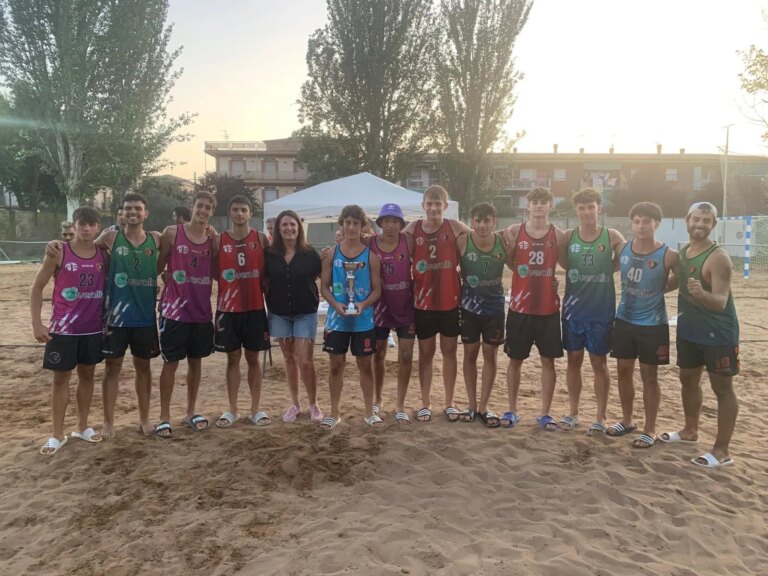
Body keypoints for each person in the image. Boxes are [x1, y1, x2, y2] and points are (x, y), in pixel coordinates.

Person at [660, 202, 740, 468]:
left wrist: (701, 294)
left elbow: (719, 300)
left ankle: (722, 451)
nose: (700, 225)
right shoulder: (684, 252)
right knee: (688, 380)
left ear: (713, 224)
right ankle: (690, 431)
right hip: (689, 331)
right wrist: (646, 283)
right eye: (696, 219)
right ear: (687, 219)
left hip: (718, 334)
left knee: (722, 388)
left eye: (706, 221)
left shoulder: (718, 258)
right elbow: (673, 284)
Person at [30, 206, 105, 455]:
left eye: (91, 224)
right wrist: (37, 323)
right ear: (73, 225)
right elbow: (37, 287)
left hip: (93, 328)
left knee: (87, 376)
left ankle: (82, 427)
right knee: (60, 379)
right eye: (81, 223)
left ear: (98, 227)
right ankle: (57, 434)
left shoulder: (103, 254)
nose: (85, 228)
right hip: (63, 329)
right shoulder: (59, 252)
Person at [608, 202, 678, 449]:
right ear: (632, 224)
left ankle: (650, 429)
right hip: (624, 320)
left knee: (650, 377)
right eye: (636, 221)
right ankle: (627, 420)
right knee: (624, 372)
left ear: (656, 224)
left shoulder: (668, 254)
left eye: (646, 221)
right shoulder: (623, 249)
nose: (641, 226)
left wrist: (663, 288)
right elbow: (609, 268)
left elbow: (681, 274)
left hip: (653, 324)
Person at [560, 188, 625, 435]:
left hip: (601, 312)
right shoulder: (568, 237)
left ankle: (600, 416)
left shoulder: (611, 236)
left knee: (599, 364)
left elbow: (623, 258)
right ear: (576, 210)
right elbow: (564, 264)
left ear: (599, 208)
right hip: (573, 311)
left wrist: (610, 269)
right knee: (573, 361)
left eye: (591, 207)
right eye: (582, 208)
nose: (587, 212)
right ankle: (573, 412)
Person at [403, 185, 470, 422]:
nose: (433, 208)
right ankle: (425, 402)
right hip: (423, 304)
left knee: (449, 352)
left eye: (437, 203)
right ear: (423, 206)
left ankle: (450, 402)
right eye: (429, 203)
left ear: (445, 205)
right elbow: (393, 248)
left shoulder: (455, 227)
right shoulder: (412, 228)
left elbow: (480, 240)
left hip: (450, 302)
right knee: (426, 354)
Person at [155, 190, 218, 438]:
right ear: (192, 207)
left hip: (201, 311)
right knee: (171, 363)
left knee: (196, 362)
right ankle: (163, 417)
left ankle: (191, 411)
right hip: (174, 311)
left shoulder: (213, 240)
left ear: (212, 212)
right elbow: (159, 266)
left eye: (208, 208)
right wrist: (164, 275)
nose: (202, 211)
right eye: (199, 206)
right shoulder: (172, 233)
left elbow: (215, 272)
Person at [502, 188, 566, 430]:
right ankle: (511, 409)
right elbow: (508, 260)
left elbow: (566, 265)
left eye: (543, 202)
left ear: (550, 205)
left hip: (548, 308)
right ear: (527, 206)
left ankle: (545, 413)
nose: (539, 206)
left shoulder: (558, 235)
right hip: (520, 306)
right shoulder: (515, 231)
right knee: (515, 360)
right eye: (535, 202)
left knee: (548, 361)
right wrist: (518, 269)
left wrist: (554, 280)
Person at [320, 204, 382, 429]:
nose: (352, 227)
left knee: (365, 365)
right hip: (337, 321)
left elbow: (377, 290)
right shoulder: (330, 254)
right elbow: (324, 287)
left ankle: (368, 412)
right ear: (342, 224)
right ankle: (334, 412)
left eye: (356, 223)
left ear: (362, 225)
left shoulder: (372, 257)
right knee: (336, 365)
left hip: (363, 321)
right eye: (348, 222)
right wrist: (336, 304)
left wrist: (364, 304)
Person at [214, 195, 272, 428]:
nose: (239, 213)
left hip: (255, 307)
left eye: (243, 210)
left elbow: (270, 270)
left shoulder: (261, 238)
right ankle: (232, 409)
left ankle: (256, 409)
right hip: (228, 309)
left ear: (250, 213)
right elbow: (211, 272)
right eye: (235, 209)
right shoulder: (218, 241)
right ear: (230, 213)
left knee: (253, 359)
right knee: (232, 359)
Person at [264, 210, 323, 423]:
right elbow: (265, 281)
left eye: (292, 225)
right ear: (278, 229)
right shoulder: (270, 255)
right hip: (279, 313)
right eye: (284, 225)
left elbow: (322, 277)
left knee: (306, 361)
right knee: (289, 358)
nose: (289, 228)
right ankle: (295, 404)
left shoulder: (310, 254)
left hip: (305, 313)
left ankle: (313, 403)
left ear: (299, 228)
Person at [457, 202, 507, 427]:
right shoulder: (462, 241)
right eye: (478, 220)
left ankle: (484, 406)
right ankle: (470, 404)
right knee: (469, 355)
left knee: (490, 356)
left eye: (487, 220)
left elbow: (523, 266)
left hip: (495, 309)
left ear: (494, 222)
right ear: (472, 222)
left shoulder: (504, 243)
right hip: (468, 308)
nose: (482, 225)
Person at [369, 203, 415, 423]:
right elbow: (346, 249)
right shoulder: (369, 243)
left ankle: (400, 404)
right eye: (386, 221)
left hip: (406, 308)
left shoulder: (409, 241)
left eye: (395, 221)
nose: (390, 226)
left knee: (406, 356)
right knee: (378, 354)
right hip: (379, 308)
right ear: (380, 223)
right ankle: (378, 399)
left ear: (401, 224)